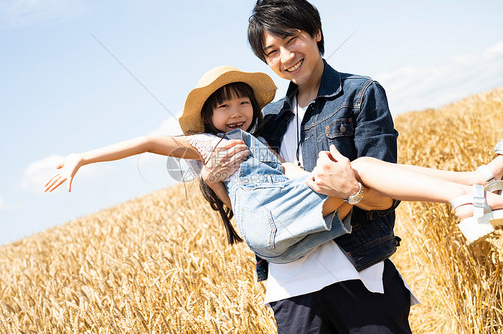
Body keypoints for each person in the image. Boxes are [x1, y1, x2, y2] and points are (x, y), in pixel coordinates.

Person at [198, 0, 503, 334]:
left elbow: (386, 196)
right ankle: (476, 185)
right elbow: (250, 209)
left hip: (359, 272)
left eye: (291, 39)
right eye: (272, 52)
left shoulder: (359, 94)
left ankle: (474, 188)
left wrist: (352, 192)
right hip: (292, 290)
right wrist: (209, 177)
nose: (286, 57)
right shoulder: (263, 122)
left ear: (316, 32)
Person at [45, 65, 503, 268]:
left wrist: (316, 176)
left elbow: (287, 176)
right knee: (360, 166)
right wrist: (83, 157)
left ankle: (475, 183)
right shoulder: (208, 144)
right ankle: (466, 190)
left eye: (243, 101)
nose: (237, 111)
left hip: (282, 225)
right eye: (224, 107)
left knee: (358, 168)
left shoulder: (260, 146)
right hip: (269, 225)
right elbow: (146, 142)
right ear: (208, 118)